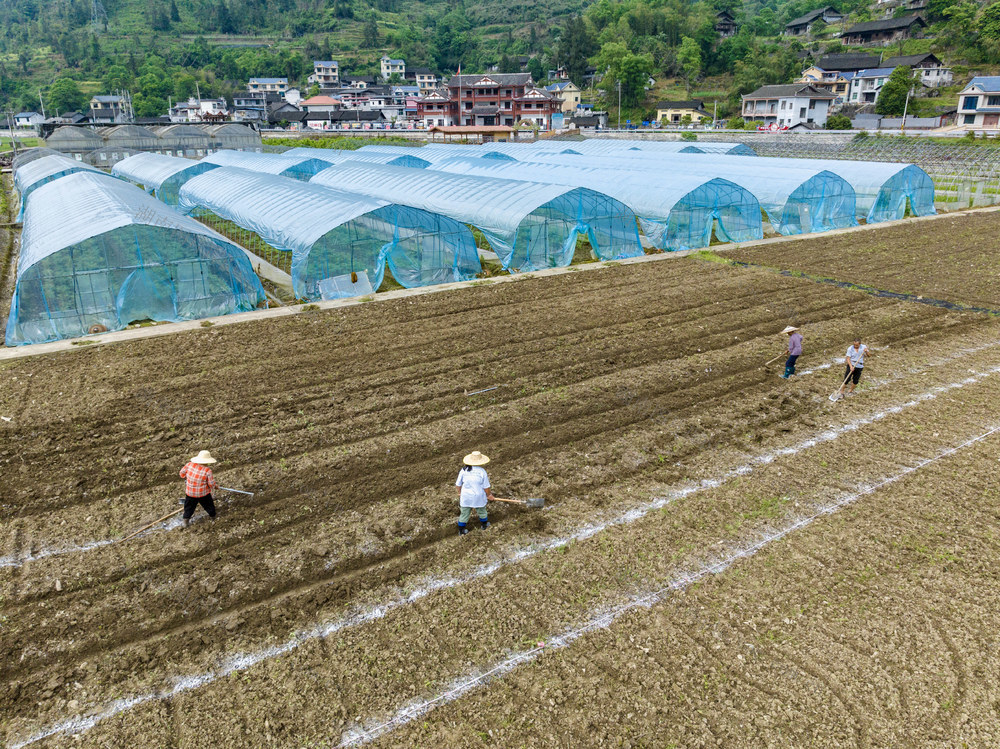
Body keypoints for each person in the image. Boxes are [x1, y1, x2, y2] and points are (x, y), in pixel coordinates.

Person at [456, 451, 495, 535]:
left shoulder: (463, 470)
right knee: (482, 511)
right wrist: (489, 495)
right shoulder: (482, 471)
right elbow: (486, 487)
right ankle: (484, 525)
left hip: (466, 496)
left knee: (464, 514)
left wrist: (459, 492)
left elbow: (458, 484)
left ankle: (461, 531)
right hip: (478, 496)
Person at [179, 450, 219, 527]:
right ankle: (213, 516)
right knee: (209, 505)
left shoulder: (189, 464)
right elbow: (211, 484)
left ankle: (185, 521)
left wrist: (187, 478)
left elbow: (182, 473)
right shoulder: (207, 471)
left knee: (189, 507)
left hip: (190, 493)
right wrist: (215, 486)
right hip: (203, 494)